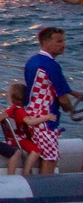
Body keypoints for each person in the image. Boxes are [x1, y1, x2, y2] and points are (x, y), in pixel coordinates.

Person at [23, 26, 83, 175]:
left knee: (42, 153)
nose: (63, 45)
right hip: (45, 119)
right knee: (51, 157)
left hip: (32, 114)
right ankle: (44, 189)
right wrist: (70, 109)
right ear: (45, 42)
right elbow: (63, 99)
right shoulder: (52, 65)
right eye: (59, 41)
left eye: (63, 41)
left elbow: (51, 86)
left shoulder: (34, 61)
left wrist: (76, 94)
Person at [5, 82, 57, 175]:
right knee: (36, 151)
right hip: (19, 139)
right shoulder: (20, 110)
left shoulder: (11, 109)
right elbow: (29, 122)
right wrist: (46, 117)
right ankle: (26, 172)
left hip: (12, 138)